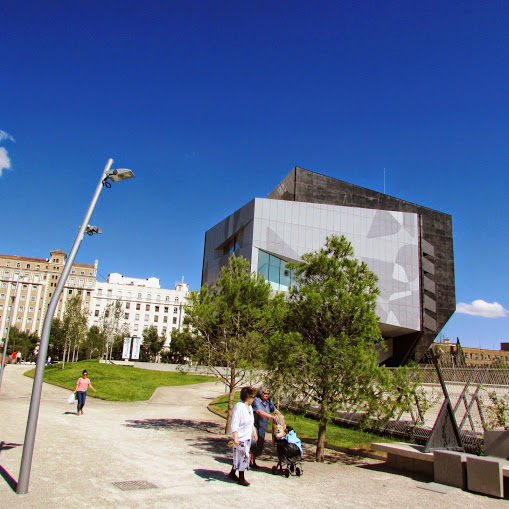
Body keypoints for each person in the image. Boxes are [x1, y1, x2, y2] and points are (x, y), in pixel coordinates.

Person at [229, 386, 258, 486]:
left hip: (247, 436)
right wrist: (235, 437)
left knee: (242, 456)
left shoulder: (249, 407)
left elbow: (251, 422)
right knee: (242, 457)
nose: (254, 399)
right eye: (253, 397)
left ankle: (232, 473)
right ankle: (241, 478)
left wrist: (254, 432)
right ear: (248, 397)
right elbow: (234, 423)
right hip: (240, 437)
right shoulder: (239, 407)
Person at [250, 385, 280, 468]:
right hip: (255, 425)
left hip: (263, 426)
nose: (267, 395)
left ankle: (253, 460)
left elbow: (274, 409)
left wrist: (280, 415)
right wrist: (271, 417)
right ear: (260, 393)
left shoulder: (268, 401)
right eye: (265, 393)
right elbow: (259, 412)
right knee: (254, 442)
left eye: (268, 394)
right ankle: (251, 461)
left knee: (260, 443)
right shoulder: (256, 400)